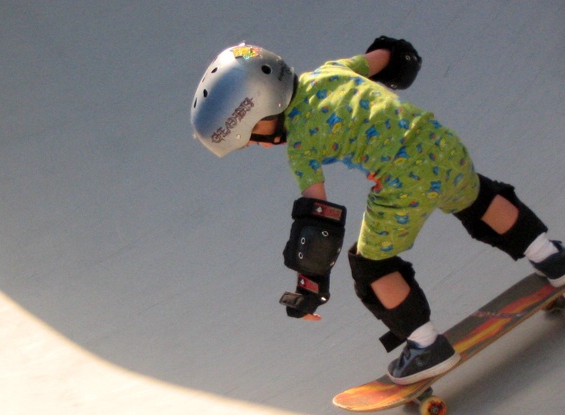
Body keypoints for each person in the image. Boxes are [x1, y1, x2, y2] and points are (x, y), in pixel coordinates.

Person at [190, 38, 565, 385]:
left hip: (404, 181)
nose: (264, 145)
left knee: (371, 263)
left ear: (265, 107)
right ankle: (552, 259)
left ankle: (426, 345)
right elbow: (388, 58)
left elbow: (318, 223)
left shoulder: (301, 145)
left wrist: (310, 288)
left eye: (256, 136)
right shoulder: (330, 70)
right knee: (479, 199)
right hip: (440, 142)